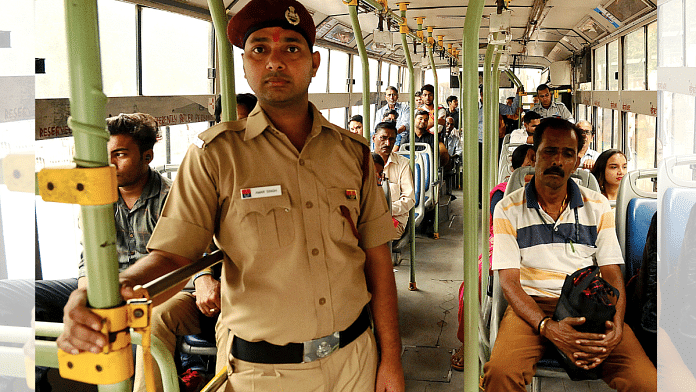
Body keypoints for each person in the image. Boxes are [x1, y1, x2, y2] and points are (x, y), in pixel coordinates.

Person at [57, 2, 405, 392]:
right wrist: (97, 291)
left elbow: (377, 257)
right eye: (259, 49)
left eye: (291, 48)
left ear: (315, 62)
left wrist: (390, 358)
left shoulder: (351, 153)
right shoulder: (215, 157)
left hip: (354, 360)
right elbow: (172, 256)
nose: (274, 61)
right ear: (244, 65)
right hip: (263, 373)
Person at [482, 117, 656, 391]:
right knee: (500, 374)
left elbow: (611, 273)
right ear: (534, 156)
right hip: (532, 305)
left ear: (576, 162)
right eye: (549, 151)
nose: (557, 161)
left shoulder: (597, 205)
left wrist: (618, 325)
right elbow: (510, 282)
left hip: (589, 302)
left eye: (567, 154)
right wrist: (547, 326)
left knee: (646, 382)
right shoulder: (508, 209)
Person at [32, 113, 186, 391]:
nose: (110, 164)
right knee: (30, 296)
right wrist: (89, 294)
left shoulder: (170, 197)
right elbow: (87, 258)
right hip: (105, 282)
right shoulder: (98, 198)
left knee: (149, 314)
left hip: (155, 288)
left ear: (147, 156)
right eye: (106, 156)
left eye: (120, 154)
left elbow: (180, 258)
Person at [451, 143, 534, 371]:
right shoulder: (502, 192)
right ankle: (467, 342)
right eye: (530, 161)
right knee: (474, 282)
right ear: (516, 168)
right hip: (505, 243)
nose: (535, 166)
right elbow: (502, 230)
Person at [372, 121, 415, 240]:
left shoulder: (403, 164)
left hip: (394, 218)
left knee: (373, 234)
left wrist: (385, 210)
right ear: (374, 138)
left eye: (392, 139)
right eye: (383, 138)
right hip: (369, 218)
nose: (387, 143)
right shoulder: (364, 162)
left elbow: (409, 199)